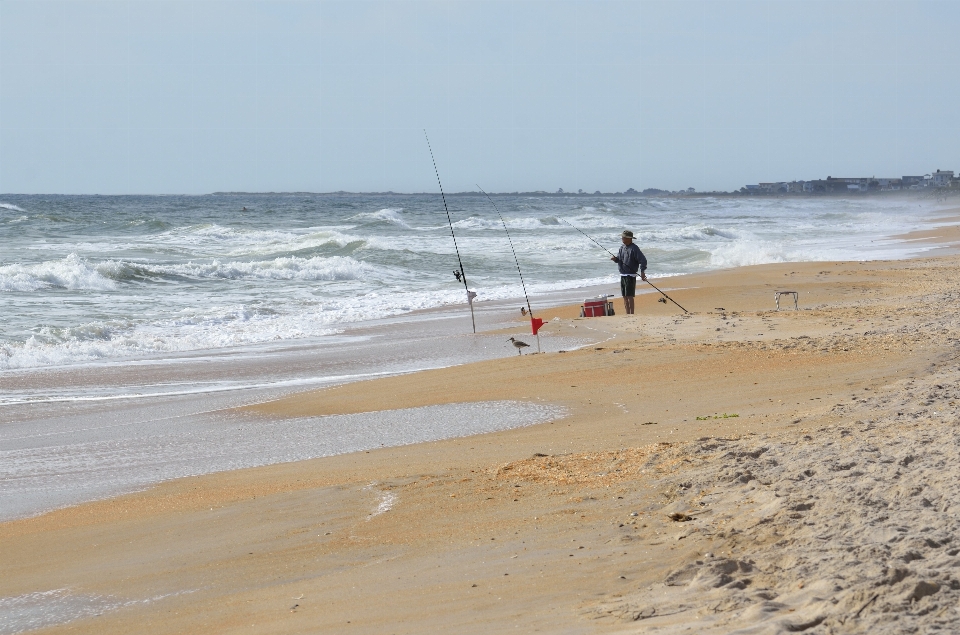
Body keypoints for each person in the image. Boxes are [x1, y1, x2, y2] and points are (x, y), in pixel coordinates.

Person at [610, 230, 647, 314]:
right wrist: (615, 259)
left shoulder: (634, 248)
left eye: (623, 237)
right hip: (622, 274)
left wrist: (642, 272)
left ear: (629, 238)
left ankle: (632, 314)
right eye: (622, 237)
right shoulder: (621, 247)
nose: (622, 238)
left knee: (629, 296)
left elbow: (643, 260)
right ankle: (627, 313)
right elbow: (619, 260)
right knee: (624, 296)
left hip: (631, 275)